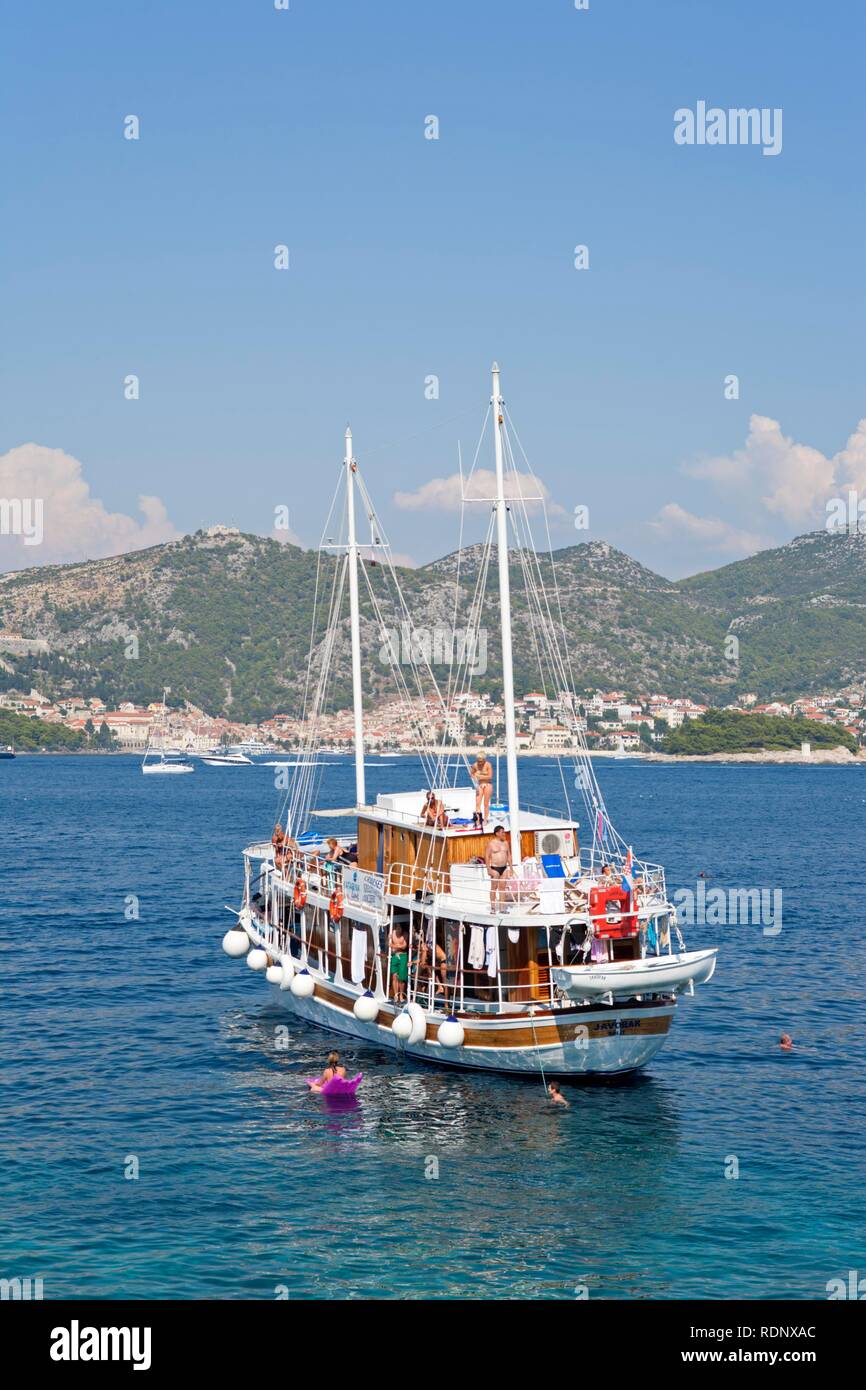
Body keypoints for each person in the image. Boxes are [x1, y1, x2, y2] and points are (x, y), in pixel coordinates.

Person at [485, 825, 512, 911]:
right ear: (497, 833)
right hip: (495, 868)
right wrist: (488, 869)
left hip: (504, 868)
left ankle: (502, 908)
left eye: (504, 832)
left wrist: (511, 868)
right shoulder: (491, 844)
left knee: (502, 888)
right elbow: (487, 856)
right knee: (494, 888)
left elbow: (509, 856)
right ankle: (493, 907)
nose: (504, 834)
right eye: (502, 832)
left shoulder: (506, 843)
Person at [470, 753, 494, 830]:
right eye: (478, 761)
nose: (480, 763)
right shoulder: (475, 765)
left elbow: (490, 776)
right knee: (477, 803)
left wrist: (479, 776)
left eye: (481, 761)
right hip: (479, 784)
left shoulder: (488, 765)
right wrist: (475, 779)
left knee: (486, 803)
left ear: (484, 760)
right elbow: (472, 774)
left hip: (487, 784)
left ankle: (486, 819)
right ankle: (477, 820)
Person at [389, 921, 409, 1003]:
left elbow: (404, 946)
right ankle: (396, 994)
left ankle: (401, 995)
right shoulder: (392, 933)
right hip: (394, 956)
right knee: (394, 976)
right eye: (397, 927)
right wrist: (398, 946)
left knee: (401, 978)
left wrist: (395, 946)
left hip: (403, 956)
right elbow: (389, 944)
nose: (398, 929)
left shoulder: (405, 934)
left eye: (399, 927)